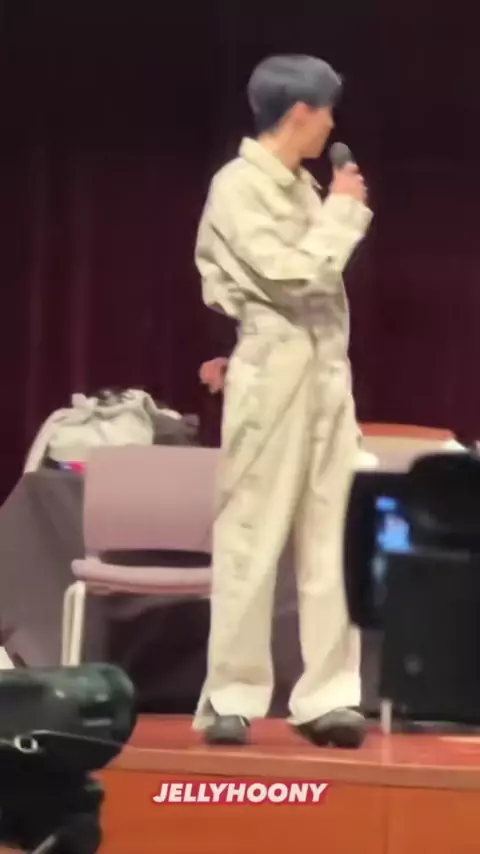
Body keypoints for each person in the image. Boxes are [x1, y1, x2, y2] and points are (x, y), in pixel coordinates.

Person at [194, 54, 373, 748]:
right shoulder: (238, 187)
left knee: (332, 534)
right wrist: (344, 213)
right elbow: (292, 275)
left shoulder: (302, 188)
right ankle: (231, 695)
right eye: (326, 111)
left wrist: (331, 208)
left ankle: (329, 695)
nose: (331, 125)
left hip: (327, 374)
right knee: (253, 532)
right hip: (273, 372)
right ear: (301, 113)